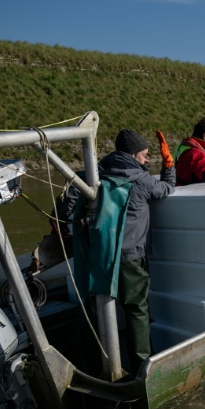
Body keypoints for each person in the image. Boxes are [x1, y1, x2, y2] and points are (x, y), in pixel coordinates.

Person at [56, 129, 175, 375]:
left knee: (94, 309)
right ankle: (142, 366)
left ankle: (96, 366)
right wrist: (169, 165)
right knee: (136, 310)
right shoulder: (142, 180)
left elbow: (64, 208)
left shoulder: (93, 175)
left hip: (96, 257)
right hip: (130, 258)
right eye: (144, 155)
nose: (145, 161)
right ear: (132, 155)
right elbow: (167, 189)